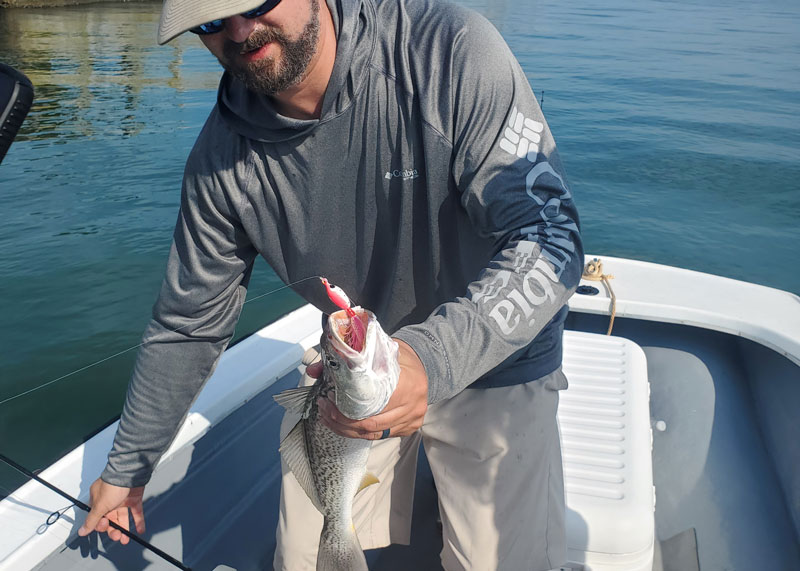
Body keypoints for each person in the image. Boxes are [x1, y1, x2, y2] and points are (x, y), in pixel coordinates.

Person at [78, 0, 584, 569]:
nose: (239, 30)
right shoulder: (219, 162)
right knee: (306, 557)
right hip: (350, 372)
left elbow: (549, 235)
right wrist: (127, 469)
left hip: (494, 355)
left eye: (254, 2)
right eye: (211, 21)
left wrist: (428, 361)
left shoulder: (450, 51)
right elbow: (188, 325)